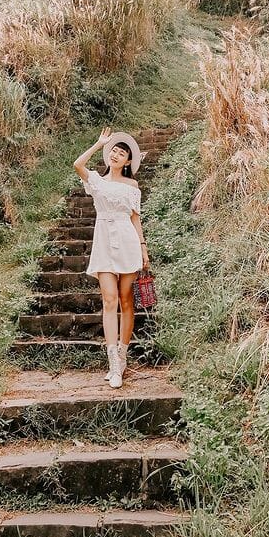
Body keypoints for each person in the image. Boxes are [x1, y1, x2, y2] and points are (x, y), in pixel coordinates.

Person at [72, 127, 149, 388]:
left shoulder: (132, 186)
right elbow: (77, 164)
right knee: (109, 299)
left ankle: (123, 355)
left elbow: (135, 219)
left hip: (127, 239)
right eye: (114, 151)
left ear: (128, 162)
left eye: (122, 153)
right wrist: (98, 143)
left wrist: (143, 248)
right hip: (104, 240)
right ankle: (113, 364)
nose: (116, 155)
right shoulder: (96, 180)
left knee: (127, 300)